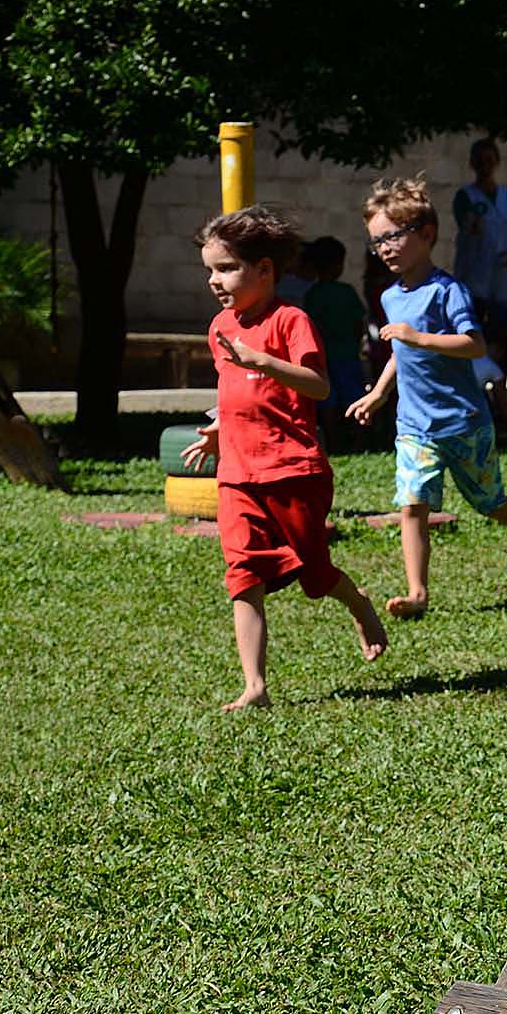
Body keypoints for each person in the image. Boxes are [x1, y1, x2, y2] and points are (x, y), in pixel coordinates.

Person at [181, 206, 387, 711]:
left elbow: (318, 385)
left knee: (314, 575)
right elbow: (234, 392)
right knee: (243, 573)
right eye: (210, 269)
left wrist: (263, 361)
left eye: (226, 268)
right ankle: (255, 685)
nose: (215, 280)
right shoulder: (219, 327)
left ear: (265, 270)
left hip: (294, 471)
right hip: (236, 475)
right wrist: (218, 431)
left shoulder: (290, 321)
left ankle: (358, 604)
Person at [345, 176, 507, 617]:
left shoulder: (446, 290)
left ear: (427, 234)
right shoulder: (389, 297)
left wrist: (418, 337)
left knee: (489, 502)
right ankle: (418, 593)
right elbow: (400, 353)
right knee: (412, 504)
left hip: (464, 420)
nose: (384, 248)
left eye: (393, 237)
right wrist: (379, 393)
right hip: (415, 426)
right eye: (376, 241)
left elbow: (473, 345)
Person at [451, 138, 507, 427]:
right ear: (472, 164)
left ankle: (500, 400)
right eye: (480, 160)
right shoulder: (466, 197)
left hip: (503, 280)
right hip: (474, 278)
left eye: (490, 159)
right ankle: (474, 400)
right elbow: (466, 229)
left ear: (497, 162)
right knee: (474, 338)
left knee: (499, 339)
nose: (485, 165)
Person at [301, 236, 369, 451]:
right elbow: (359, 323)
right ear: (338, 264)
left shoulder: (312, 294)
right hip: (348, 356)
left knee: (328, 402)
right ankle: (360, 442)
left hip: (324, 358)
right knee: (355, 398)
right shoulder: (346, 292)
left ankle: (333, 443)